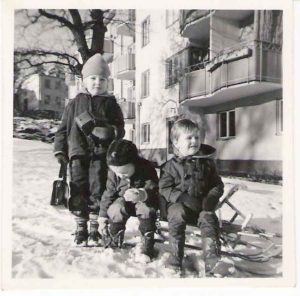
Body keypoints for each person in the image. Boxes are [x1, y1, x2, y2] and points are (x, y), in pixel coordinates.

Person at [54, 53, 125, 246]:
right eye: (93, 78)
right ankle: (80, 228)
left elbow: (120, 129)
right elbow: (62, 129)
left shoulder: (111, 103)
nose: (97, 82)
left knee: (98, 188)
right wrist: (60, 151)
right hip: (77, 154)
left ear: (107, 82)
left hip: (101, 155)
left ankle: (95, 228)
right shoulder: (75, 103)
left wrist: (109, 131)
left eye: (102, 79)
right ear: (85, 80)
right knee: (78, 188)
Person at [159, 119, 224, 276]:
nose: (194, 141)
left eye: (196, 137)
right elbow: (164, 188)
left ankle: (212, 261)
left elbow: (217, 185)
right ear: (176, 142)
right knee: (176, 212)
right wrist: (182, 197)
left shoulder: (207, 164)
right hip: (179, 206)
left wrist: (211, 199)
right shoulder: (170, 166)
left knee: (208, 218)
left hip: (202, 206)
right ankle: (175, 258)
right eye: (189, 138)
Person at [98, 139, 159, 261]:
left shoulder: (146, 167)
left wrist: (143, 194)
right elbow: (108, 193)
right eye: (117, 173)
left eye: (125, 172)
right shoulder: (114, 174)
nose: (121, 176)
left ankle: (146, 242)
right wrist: (103, 217)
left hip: (143, 200)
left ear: (134, 163)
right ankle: (114, 239)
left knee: (146, 208)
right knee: (115, 208)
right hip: (124, 201)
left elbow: (153, 187)